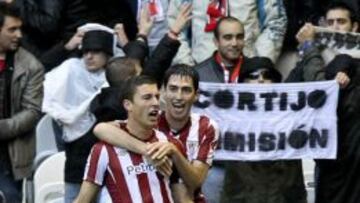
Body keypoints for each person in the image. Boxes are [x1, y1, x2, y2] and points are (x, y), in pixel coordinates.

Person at [93, 65, 219, 202]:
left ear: (196, 95)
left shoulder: (206, 126)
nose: (179, 96)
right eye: (173, 89)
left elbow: (196, 182)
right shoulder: (149, 119)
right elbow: (100, 129)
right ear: (163, 93)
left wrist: (174, 151)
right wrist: (146, 149)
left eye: (186, 90)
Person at [74, 75, 184, 203]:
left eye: (157, 97)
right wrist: (147, 150)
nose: (155, 103)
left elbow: (185, 194)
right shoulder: (103, 150)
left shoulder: (169, 144)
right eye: (147, 97)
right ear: (128, 105)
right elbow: (83, 200)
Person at [42, 29, 115, 203]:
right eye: (86, 51)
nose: (89, 56)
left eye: (96, 51)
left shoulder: (114, 78)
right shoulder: (70, 69)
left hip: (105, 160)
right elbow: (41, 71)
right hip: (74, 157)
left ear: (107, 54)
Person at [220, 57, 307, 203]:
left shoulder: (293, 116)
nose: (261, 80)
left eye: (268, 76)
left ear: (276, 83)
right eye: (253, 76)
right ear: (242, 83)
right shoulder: (228, 117)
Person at [0, 2, 44, 202]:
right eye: (12, 29)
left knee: (10, 197)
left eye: (20, 28)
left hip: (10, 157)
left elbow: (32, 112)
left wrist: (2, 128)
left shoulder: (31, 66)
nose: (19, 34)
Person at [167, 0, 287, 65]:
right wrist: (187, 66)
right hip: (200, 69)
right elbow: (175, 25)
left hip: (247, 69)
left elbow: (275, 22)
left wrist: (260, 63)